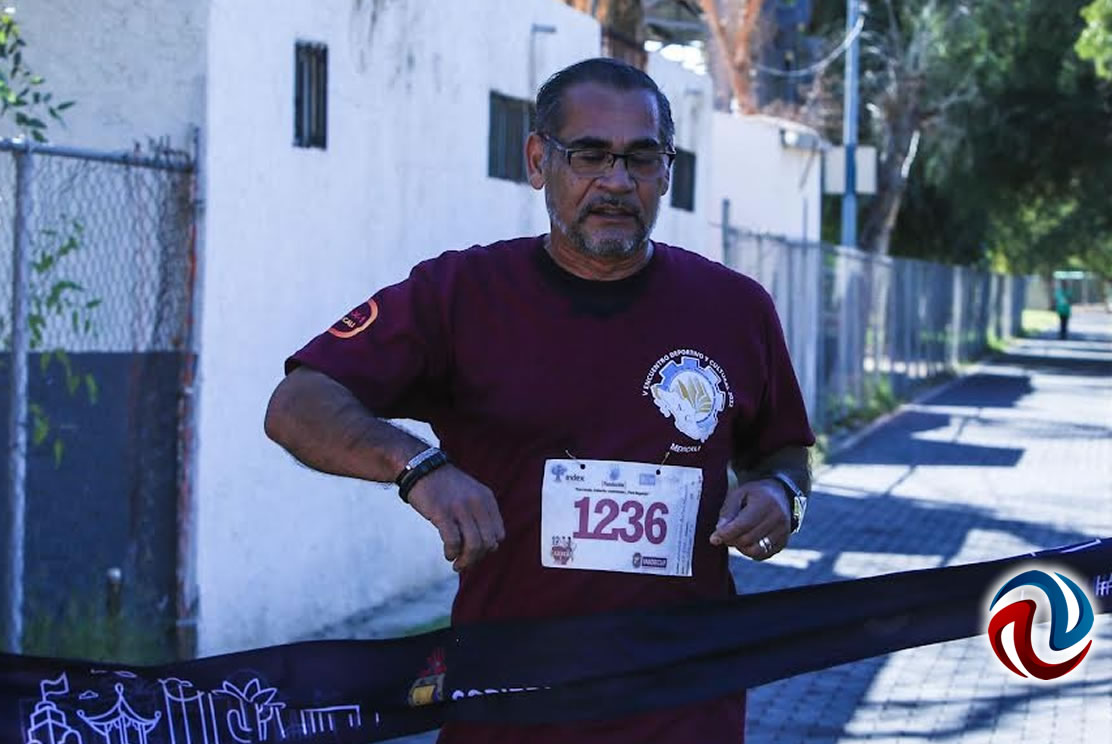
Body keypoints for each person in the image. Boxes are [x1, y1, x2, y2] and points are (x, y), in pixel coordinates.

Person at [264, 57, 815, 744]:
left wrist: (781, 495)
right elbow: (298, 404)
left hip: (682, 710)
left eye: (642, 158)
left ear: (667, 172)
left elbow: (784, 452)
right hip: (508, 711)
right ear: (537, 160)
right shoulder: (461, 295)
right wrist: (418, 468)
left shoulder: (734, 309)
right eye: (589, 154)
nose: (617, 181)